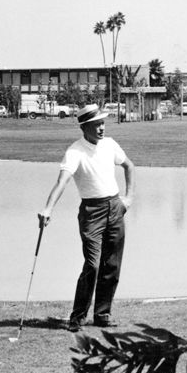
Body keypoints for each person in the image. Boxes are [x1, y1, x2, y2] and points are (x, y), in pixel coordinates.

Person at [38, 104, 135, 331]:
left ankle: (102, 315)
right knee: (93, 264)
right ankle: (77, 317)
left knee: (112, 264)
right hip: (92, 212)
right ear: (84, 127)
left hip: (115, 206)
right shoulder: (75, 151)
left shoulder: (110, 144)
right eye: (96, 125)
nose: (101, 128)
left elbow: (129, 166)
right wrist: (48, 209)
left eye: (102, 123)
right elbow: (62, 181)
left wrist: (128, 198)